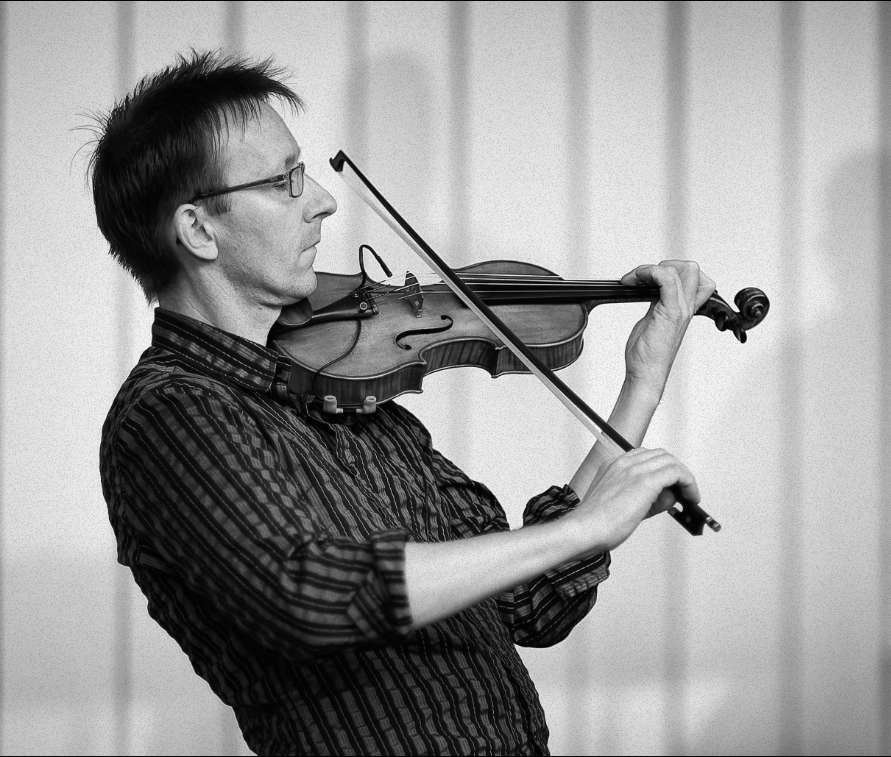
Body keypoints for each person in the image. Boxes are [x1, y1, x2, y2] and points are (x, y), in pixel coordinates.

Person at [93, 51, 715, 756]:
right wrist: (583, 527)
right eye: (286, 180)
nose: (323, 200)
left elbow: (524, 601)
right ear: (199, 229)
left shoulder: (349, 396)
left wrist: (642, 379)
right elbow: (308, 594)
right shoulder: (170, 414)